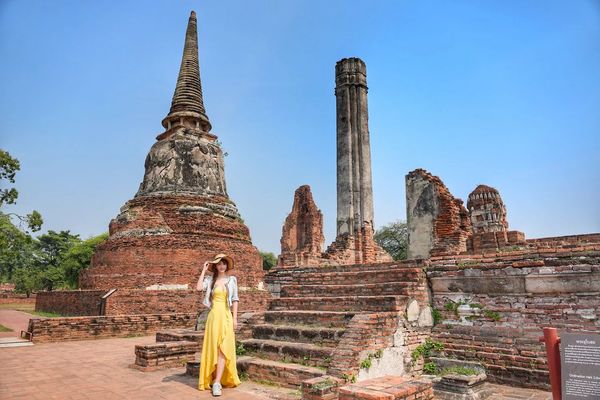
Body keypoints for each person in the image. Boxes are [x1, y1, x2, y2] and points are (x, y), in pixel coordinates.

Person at [195, 253, 241, 396]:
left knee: (223, 348)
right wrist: (204, 270)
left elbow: (235, 299)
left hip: (226, 316)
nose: (222, 266)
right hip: (214, 317)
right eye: (219, 264)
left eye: (224, 263)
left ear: (227, 265)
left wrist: (234, 319)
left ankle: (217, 382)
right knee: (213, 348)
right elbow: (198, 288)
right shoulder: (210, 280)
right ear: (215, 266)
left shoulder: (232, 280)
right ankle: (212, 378)